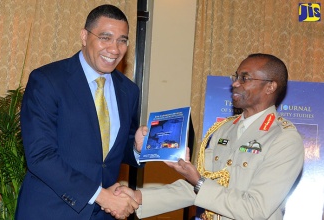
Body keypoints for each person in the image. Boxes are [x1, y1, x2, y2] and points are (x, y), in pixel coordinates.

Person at [115, 53, 305, 220]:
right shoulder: (224, 129)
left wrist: (198, 181)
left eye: (245, 78)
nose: (235, 83)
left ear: (270, 86)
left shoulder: (284, 138)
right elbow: (197, 187)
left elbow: (256, 209)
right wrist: (137, 197)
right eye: (236, 76)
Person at [16, 4, 146, 220]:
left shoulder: (129, 90)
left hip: (102, 215)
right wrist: (101, 196)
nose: (115, 49)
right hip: (50, 212)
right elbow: (40, 156)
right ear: (84, 37)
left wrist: (136, 146)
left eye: (122, 40)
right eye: (105, 37)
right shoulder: (47, 80)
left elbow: (107, 151)